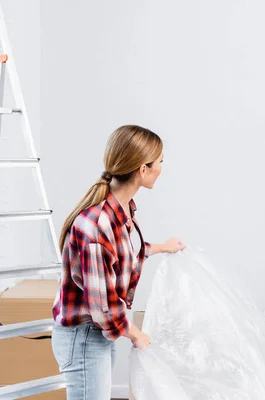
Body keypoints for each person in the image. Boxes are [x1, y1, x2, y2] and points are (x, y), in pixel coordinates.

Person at [51, 125, 186, 399]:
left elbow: (121, 255)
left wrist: (162, 248)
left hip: (97, 333)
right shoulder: (96, 226)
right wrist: (136, 333)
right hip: (86, 336)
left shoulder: (121, 208)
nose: (162, 166)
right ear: (142, 170)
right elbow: (102, 307)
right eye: (159, 161)